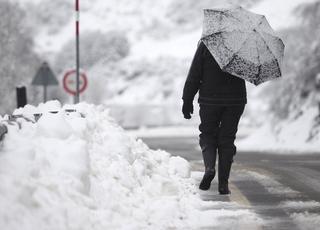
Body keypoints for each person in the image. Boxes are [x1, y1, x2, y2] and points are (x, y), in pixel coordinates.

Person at [182, 41, 247, 194]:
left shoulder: (207, 43)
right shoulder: (244, 44)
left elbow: (195, 74)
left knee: (208, 134)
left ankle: (210, 168)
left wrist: (187, 99)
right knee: (227, 139)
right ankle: (223, 183)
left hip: (210, 99)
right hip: (235, 100)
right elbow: (248, 72)